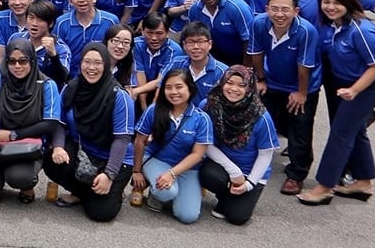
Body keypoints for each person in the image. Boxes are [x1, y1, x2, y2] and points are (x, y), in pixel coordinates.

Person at [297, 0, 375, 206]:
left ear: (349, 3)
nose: (331, 7)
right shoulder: (331, 26)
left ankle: (324, 186)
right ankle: (364, 181)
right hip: (345, 83)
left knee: (340, 132)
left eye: (337, 2)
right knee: (355, 131)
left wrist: (354, 90)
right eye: (326, 2)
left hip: (366, 86)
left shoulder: (362, 30)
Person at [43, 43, 135, 222]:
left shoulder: (119, 96)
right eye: (87, 62)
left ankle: (108, 190)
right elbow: (60, 124)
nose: (91, 68)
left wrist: (109, 175)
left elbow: (122, 139)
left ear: (107, 65)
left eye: (98, 63)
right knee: (52, 162)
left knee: (101, 213)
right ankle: (83, 192)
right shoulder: (72, 87)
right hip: (83, 150)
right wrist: (59, 148)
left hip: (114, 158)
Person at [247, 0, 321, 195]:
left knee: (300, 129)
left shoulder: (306, 31)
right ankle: (254, 161)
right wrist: (260, 80)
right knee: (263, 121)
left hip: (302, 85)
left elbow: (304, 67)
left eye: (285, 10)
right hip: (272, 81)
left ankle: (296, 174)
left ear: (296, 11)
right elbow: (256, 53)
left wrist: (302, 93)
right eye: (274, 9)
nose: (279, 14)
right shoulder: (259, 23)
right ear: (266, 9)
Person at [0, 38, 62, 204]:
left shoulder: (47, 86)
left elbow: (50, 124)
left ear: (32, 60)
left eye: (23, 61)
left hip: (27, 147)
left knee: (19, 178)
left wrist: (13, 135)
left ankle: (26, 186)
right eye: (12, 61)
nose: (17, 66)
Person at [131, 68, 212, 223]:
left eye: (179, 87)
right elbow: (140, 141)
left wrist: (172, 174)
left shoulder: (202, 118)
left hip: (188, 169)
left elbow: (197, 154)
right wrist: (137, 171)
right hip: (157, 160)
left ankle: (176, 192)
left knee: (188, 216)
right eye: (168, 88)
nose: (173, 92)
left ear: (190, 88)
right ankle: (159, 194)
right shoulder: (154, 110)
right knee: (167, 192)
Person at [200, 66, 277, 225]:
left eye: (241, 85)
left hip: (251, 172)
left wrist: (249, 184)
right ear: (222, 83)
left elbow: (266, 154)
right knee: (208, 175)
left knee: (237, 217)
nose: (234, 89)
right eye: (229, 83)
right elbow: (204, 142)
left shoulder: (261, 116)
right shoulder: (209, 105)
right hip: (221, 165)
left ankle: (234, 198)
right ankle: (225, 196)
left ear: (250, 88)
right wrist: (233, 171)